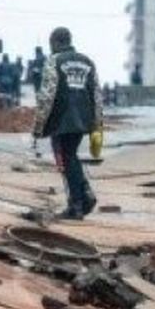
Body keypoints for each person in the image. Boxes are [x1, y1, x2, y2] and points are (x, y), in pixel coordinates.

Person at [31, 27, 104, 220]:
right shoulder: (88, 62)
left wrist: (38, 127)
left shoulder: (54, 61)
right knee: (72, 156)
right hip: (83, 118)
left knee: (67, 159)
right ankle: (84, 196)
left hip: (61, 119)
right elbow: (96, 94)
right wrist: (97, 123)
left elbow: (47, 96)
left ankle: (77, 204)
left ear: (55, 42)